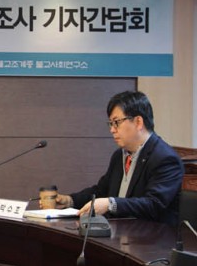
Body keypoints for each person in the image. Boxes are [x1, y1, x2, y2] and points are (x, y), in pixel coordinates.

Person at [70, 91, 182, 226]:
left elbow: (154, 204)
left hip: (153, 235)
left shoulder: (165, 159)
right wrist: (70, 200)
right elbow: (101, 191)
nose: (112, 130)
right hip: (120, 232)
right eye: (110, 124)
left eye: (116, 122)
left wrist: (111, 204)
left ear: (138, 122)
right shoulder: (119, 156)